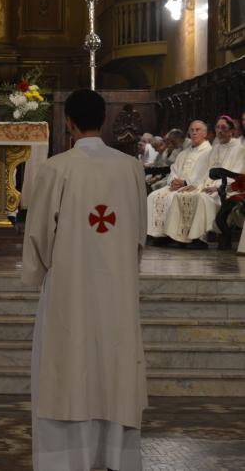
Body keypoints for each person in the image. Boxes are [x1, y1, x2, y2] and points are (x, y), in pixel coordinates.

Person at [22, 89, 147, 471]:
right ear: (104, 121)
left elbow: (39, 234)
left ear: (69, 122)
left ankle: (66, 459)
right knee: (113, 365)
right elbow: (140, 233)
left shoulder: (56, 168)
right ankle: (113, 456)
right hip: (118, 290)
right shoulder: (131, 169)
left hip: (68, 290)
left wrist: (38, 272)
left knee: (67, 366)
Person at [165, 115, 245, 248]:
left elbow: (236, 174)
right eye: (217, 128)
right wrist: (192, 185)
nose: (220, 131)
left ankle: (200, 239)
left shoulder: (240, 150)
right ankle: (180, 237)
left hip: (227, 190)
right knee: (182, 194)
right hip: (207, 186)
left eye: (223, 128)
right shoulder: (214, 150)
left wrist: (219, 187)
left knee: (201, 198)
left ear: (231, 131)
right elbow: (202, 172)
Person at [147, 120, 212, 245]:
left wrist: (186, 182)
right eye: (192, 130)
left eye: (197, 130)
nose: (194, 132)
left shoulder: (209, 152)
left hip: (195, 186)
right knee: (154, 196)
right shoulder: (184, 152)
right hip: (178, 186)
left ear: (205, 133)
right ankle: (162, 234)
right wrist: (172, 181)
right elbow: (174, 169)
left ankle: (190, 237)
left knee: (178, 197)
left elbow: (206, 173)